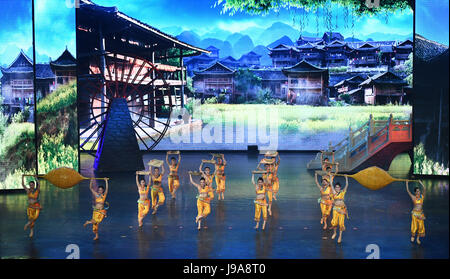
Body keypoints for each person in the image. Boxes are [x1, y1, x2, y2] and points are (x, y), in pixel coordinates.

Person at [330, 176, 349, 244]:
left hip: (342, 209)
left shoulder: (342, 192)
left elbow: (347, 185)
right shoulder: (334, 193)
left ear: (340, 187)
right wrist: (330, 177)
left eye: (338, 187)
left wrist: (346, 178)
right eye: (336, 187)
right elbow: (331, 184)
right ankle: (335, 233)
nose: (337, 188)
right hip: (335, 209)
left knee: (341, 223)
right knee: (334, 223)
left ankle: (340, 236)